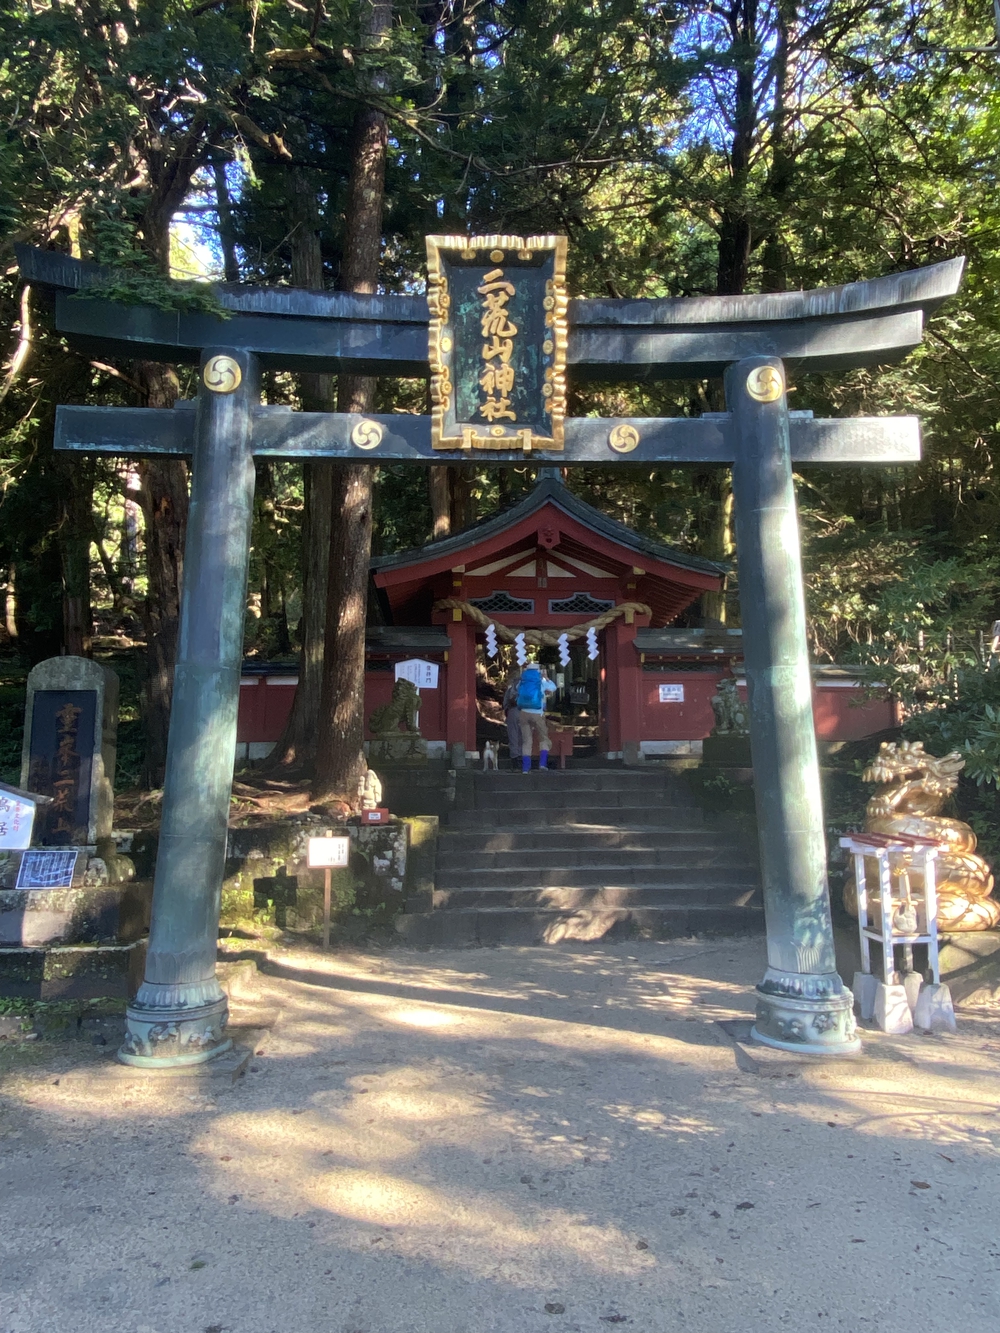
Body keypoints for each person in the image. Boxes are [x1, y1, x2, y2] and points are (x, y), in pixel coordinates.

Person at [516, 660, 557, 772]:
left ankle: (525, 768)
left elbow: (517, 690)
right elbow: (553, 687)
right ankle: (542, 764)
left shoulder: (523, 681)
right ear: (539, 671)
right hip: (537, 713)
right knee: (543, 738)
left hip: (523, 713)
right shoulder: (540, 680)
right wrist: (546, 677)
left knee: (526, 741)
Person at [502, 671, 523, 772]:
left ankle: (515, 763)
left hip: (513, 712)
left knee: (513, 737)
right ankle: (524, 763)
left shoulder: (510, 690)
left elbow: (505, 704)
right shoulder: (528, 690)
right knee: (524, 738)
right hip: (526, 713)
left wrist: (508, 712)